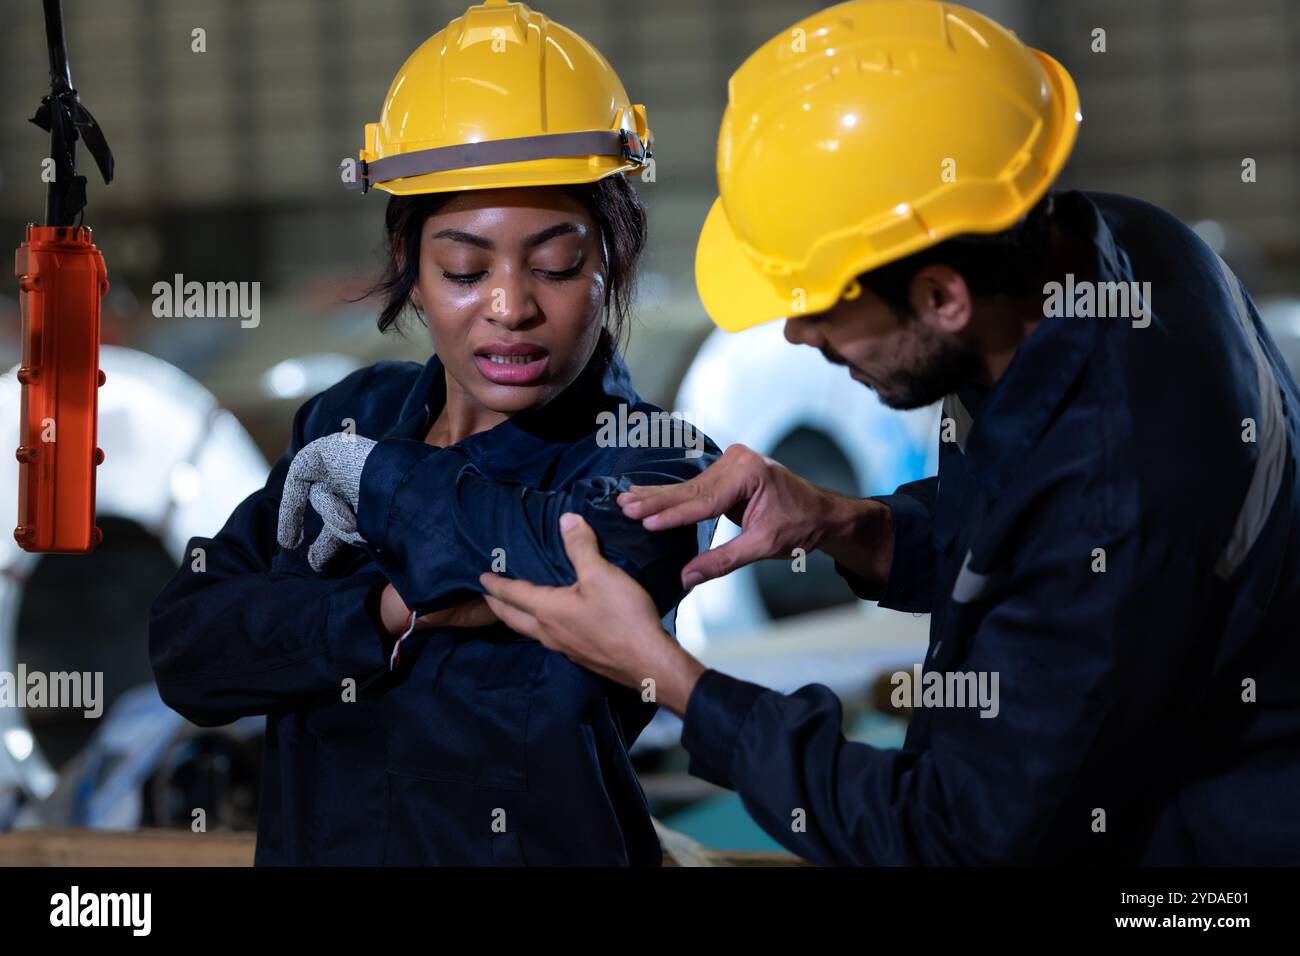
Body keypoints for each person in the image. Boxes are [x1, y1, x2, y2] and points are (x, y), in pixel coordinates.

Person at [479, 0, 1300, 865]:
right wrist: (849, 524)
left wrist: (672, 678)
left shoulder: (1119, 487)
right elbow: (1025, 530)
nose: (798, 336)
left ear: (944, 296)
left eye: (823, 306)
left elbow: (954, 841)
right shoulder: (1127, 247)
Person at [148, 0, 718, 866]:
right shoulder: (351, 416)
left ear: (614, 262)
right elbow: (191, 652)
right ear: (411, 274)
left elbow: (558, 567)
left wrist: (373, 482)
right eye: (463, 267)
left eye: (557, 263)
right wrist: (382, 608)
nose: (510, 306)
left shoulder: (659, 457)